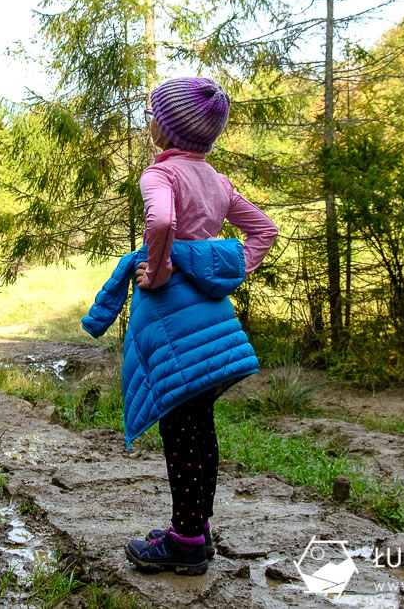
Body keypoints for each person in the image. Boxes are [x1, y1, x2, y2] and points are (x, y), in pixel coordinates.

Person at [80, 76, 277, 575]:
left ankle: (186, 541)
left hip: (172, 321)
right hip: (212, 323)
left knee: (180, 431)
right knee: (198, 428)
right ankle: (196, 527)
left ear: (166, 129)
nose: (149, 121)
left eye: (153, 114)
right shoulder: (216, 181)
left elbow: (163, 225)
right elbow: (263, 231)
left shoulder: (160, 177)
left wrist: (165, 267)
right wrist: (218, 268)